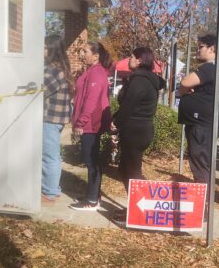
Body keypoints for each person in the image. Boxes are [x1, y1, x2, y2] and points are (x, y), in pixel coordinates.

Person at [178, 34, 219, 184]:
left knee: (200, 163)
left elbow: (185, 82)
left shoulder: (210, 67)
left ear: (211, 48)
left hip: (201, 125)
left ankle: (203, 200)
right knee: (202, 162)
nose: (197, 51)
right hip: (205, 123)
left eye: (200, 47)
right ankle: (204, 197)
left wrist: (185, 88)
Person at [112, 47, 163, 192]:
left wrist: (115, 123)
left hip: (135, 130)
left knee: (132, 172)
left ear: (139, 60)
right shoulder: (146, 78)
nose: (129, 59)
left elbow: (128, 105)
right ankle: (135, 207)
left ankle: (145, 205)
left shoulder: (139, 80)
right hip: (141, 128)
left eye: (131, 57)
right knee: (125, 169)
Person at [70, 42, 112, 211]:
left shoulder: (96, 73)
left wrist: (81, 122)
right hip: (90, 123)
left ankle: (92, 201)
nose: (82, 54)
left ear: (96, 56)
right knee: (92, 160)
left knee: (90, 161)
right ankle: (94, 195)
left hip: (91, 124)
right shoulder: (93, 71)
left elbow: (91, 101)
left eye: (85, 51)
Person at [42, 35, 74, 202]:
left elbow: (38, 89)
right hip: (56, 120)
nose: (42, 50)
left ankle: (49, 193)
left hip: (50, 120)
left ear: (52, 50)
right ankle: (52, 189)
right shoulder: (61, 68)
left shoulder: (53, 70)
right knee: (52, 155)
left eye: (45, 47)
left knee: (49, 157)